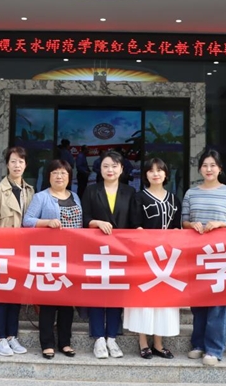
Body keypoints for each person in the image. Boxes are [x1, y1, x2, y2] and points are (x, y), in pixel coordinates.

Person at [182, 148, 226, 367]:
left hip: (221, 255)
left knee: (218, 303)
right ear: (199, 169)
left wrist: (221, 224)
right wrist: (192, 224)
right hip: (196, 254)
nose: (209, 169)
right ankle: (198, 344)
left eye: (213, 165)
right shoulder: (191, 193)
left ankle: (214, 349)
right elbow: (184, 222)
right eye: (205, 165)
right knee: (197, 301)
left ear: (220, 169)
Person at [22, 159, 82, 360]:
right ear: (48, 176)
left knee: (67, 303)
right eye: (55, 172)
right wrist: (47, 222)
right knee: (48, 302)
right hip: (49, 256)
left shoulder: (75, 196)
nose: (59, 176)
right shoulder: (41, 197)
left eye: (63, 173)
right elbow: (27, 221)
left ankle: (65, 342)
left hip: (71, 257)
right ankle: (47, 344)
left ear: (69, 177)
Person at [124, 157, 181, 359]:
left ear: (166, 174)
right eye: (151, 170)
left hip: (168, 259)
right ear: (145, 175)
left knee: (163, 301)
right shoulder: (139, 197)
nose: (155, 174)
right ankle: (143, 342)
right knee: (144, 299)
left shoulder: (174, 199)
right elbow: (135, 226)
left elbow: (177, 228)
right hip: (145, 258)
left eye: (160, 170)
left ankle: (158, 343)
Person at [82, 150, 136, 359]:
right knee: (97, 293)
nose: (110, 170)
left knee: (116, 294)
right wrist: (96, 222)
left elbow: (134, 222)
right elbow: (85, 218)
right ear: (100, 169)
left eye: (114, 166)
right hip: (96, 251)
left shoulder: (130, 192)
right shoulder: (91, 190)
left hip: (121, 252)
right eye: (105, 166)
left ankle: (112, 337)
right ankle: (98, 338)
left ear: (121, 169)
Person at [0, 146, 35, 357]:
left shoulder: (30, 190)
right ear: (7, 164)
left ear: (25, 165)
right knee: (2, 294)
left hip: (23, 252)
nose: (17, 165)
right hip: (3, 250)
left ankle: (12, 335)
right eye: (13, 161)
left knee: (16, 294)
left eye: (21, 162)